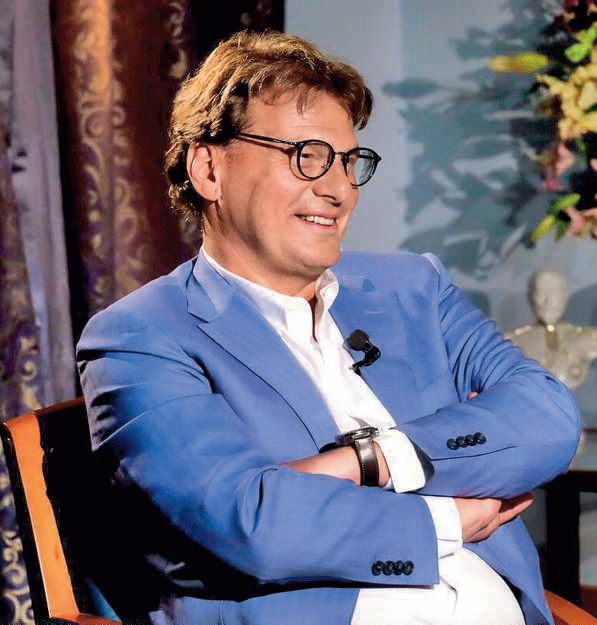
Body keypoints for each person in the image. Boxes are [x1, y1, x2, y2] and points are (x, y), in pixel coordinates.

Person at [77, 30, 581, 625]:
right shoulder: (140, 339)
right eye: (306, 155)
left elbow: (548, 419)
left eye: (347, 161)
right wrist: (448, 516)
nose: (339, 188)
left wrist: (372, 460)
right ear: (209, 169)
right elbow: (249, 524)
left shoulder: (414, 289)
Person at [507, 270, 597, 390]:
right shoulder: (512, 341)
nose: (548, 301)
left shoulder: (588, 338)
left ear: (565, 295)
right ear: (530, 297)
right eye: (541, 292)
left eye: (554, 292)